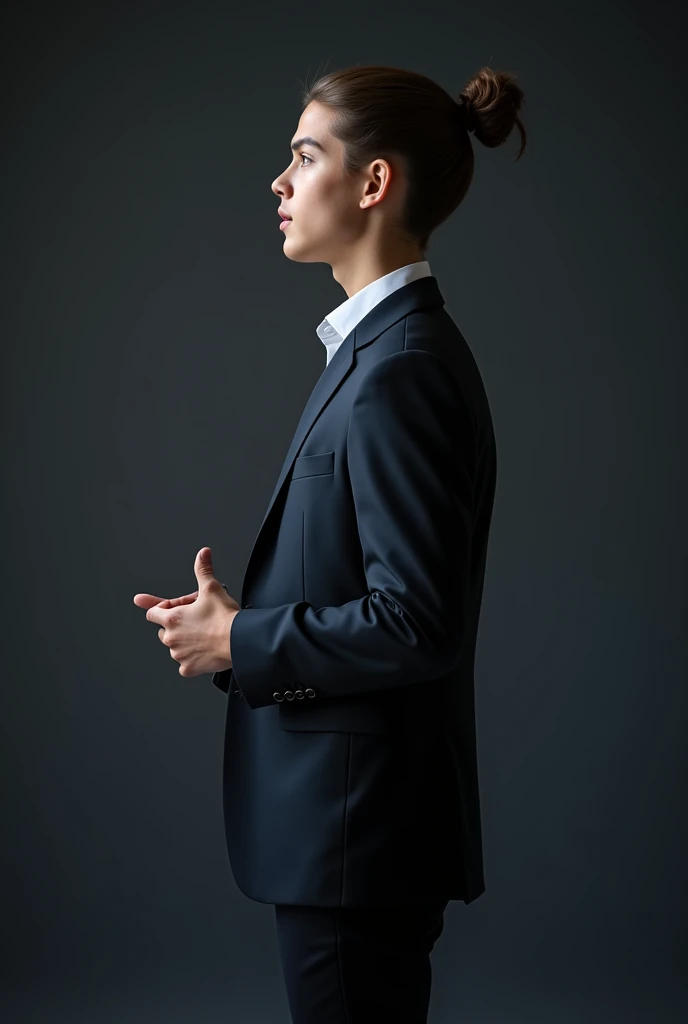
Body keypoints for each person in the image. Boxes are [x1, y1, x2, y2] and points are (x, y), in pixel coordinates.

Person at [140, 62, 527, 1024]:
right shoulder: (374, 353)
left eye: (305, 154)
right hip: (349, 836)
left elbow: (416, 622)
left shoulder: (400, 368)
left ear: (373, 183)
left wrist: (243, 641)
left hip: (359, 840)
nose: (279, 181)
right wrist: (235, 626)